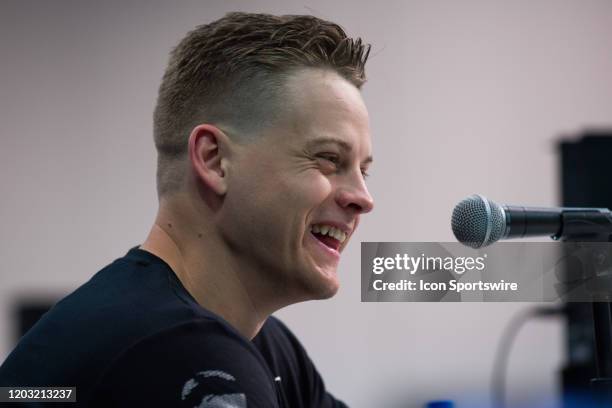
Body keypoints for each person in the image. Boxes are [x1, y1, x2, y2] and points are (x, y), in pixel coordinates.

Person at [0, 12, 374, 407]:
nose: (363, 198)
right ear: (214, 161)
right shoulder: (177, 351)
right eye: (329, 159)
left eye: (363, 171)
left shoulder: (267, 347)